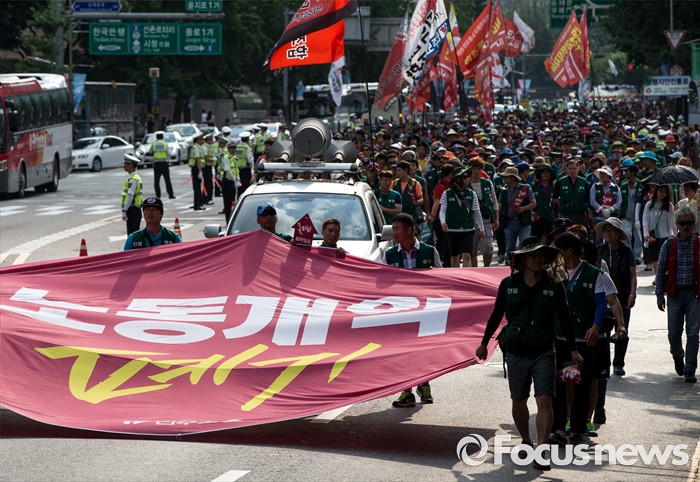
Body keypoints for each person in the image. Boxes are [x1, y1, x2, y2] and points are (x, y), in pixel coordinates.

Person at [477, 237, 582, 471]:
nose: (538, 258)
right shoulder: (508, 284)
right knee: (519, 400)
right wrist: (484, 343)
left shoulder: (554, 286)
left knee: (544, 399)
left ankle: (542, 450)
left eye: (541, 255)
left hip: (544, 351)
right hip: (515, 352)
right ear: (523, 259)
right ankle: (526, 440)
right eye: (533, 254)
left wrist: (573, 349)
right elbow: (496, 315)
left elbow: (565, 319)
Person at [551, 233, 626, 446]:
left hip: (586, 340)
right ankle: (558, 429)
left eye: (558, 251)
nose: (556, 255)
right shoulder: (553, 274)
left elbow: (603, 302)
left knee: (582, 384)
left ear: (569, 251)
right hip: (560, 338)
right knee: (559, 383)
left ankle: (577, 429)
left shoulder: (596, 274)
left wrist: (596, 326)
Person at [382, 213, 442, 408]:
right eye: (393, 228)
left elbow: (443, 280)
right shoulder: (389, 254)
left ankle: (424, 384)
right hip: (401, 312)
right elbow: (380, 283)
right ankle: (407, 391)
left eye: (397, 229)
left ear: (409, 230)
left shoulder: (430, 251)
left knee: (423, 350)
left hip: (425, 312)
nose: (394, 232)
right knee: (403, 352)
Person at [655, 205, 699, 383]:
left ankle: (690, 369)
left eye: (689, 223)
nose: (686, 226)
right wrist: (659, 295)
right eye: (682, 223)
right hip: (674, 294)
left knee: (693, 333)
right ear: (677, 225)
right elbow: (660, 271)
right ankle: (678, 355)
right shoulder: (669, 244)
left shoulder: (698, 243)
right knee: (673, 333)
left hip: (694, 294)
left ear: (694, 224)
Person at [594, 218, 637, 377]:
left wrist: (632, 293)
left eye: (612, 230)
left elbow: (633, 275)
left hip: (623, 296)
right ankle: (603, 362)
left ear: (618, 233)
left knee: (621, 328)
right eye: (606, 230)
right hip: (603, 296)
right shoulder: (599, 250)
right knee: (602, 329)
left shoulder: (626, 251)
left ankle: (618, 364)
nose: (609, 233)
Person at [440, 167, 485, 268]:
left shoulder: (471, 193)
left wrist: (481, 229)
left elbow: (476, 211)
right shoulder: (447, 193)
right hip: (452, 229)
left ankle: (466, 276)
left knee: (467, 255)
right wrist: (443, 222)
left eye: (468, 177)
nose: (467, 179)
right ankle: (456, 276)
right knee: (454, 257)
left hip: (468, 229)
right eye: (464, 177)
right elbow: (442, 210)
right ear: (457, 179)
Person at [499, 166, 537, 263]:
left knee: (525, 247)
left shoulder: (525, 189)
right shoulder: (503, 191)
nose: (504, 178)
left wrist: (523, 208)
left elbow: (533, 203)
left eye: (506, 176)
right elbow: (500, 207)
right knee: (510, 249)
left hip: (524, 222)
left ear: (512, 178)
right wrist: (496, 219)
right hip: (509, 223)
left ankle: (524, 266)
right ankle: (510, 266)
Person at [468, 158, 499, 267]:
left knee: (488, 248)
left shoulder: (487, 183)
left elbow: (494, 202)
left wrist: (496, 219)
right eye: (474, 168)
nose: (476, 171)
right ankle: (475, 272)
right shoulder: (466, 184)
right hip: (471, 222)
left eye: (479, 168)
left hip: (486, 220)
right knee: (473, 250)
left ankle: (486, 268)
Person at [643, 185, 676, 276]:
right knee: (654, 257)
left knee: (664, 257)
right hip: (653, 235)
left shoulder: (669, 206)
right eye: (660, 191)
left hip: (665, 235)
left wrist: (673, 236)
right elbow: (645, 219)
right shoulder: (649, 204)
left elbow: (672, 222)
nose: (662, 193)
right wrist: (646, 233)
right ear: (656, 191)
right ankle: (657, 275)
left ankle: (662, 275)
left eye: (664, 192)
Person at [554, 158, 589, 226]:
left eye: (574, 168)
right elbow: (555, 196)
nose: (572, 171)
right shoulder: (560, 181)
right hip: (565, 214)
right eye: (570, 169)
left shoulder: (584, 182)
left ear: (578, 169)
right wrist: (563, 204)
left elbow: (587, 198)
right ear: (566, 169)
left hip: (580, 214)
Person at [220, 141, 242, 224]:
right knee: (228, 204)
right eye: (231, 148)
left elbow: (236, 170)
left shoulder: (234, 157)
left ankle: (231, 222)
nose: (233, 150)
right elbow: (228, 170)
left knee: (233, 203)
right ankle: (228, 222)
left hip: (233, 182)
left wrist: (238, 179)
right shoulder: (226, 157)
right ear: (228, 149)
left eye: (234, 148)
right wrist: (235, 181)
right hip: (227, 182)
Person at [121, 154, 143, 235]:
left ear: (130, 165)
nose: (124, 166)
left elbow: (130, 196)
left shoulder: (132, 179)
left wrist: (124, 210)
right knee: (134, 234)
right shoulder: (136, 177)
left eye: (125, 164)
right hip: (135, 210)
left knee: (132, 235)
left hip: (132, 210)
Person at [151, 131, 175, 200]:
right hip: (164, 163)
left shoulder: (154, 144)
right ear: (162, 137)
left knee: (156, 181)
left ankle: (158, 195)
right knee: (167, 180)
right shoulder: (165, 144)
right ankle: (171, 195)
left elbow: (150, 152)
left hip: (156, 164)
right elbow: (169, 154)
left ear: (156, 138)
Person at [189, 133, 206, 211]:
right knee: (197, 188)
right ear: (197, 140)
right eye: (201, 139)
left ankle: (199, 203)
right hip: (196, 169)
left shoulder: (199, 147)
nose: (203, 140)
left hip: (197, 169)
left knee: (198, 187)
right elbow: (197, 160)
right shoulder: (196, 148)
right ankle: (197, 205)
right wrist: (200, 171)